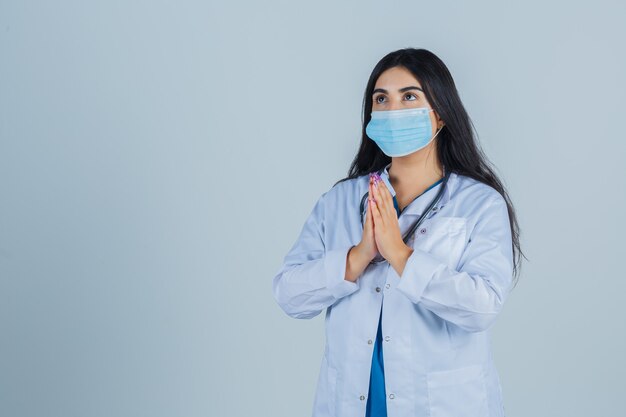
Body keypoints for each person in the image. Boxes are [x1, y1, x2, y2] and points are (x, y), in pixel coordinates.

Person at [272, 48, 525, 417]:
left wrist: (401, 255)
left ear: (439, 113)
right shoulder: (340, 200)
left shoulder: (479, 204)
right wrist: (357, 257)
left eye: (409, 96)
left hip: (443, 404)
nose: (393, 110)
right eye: (381, 99)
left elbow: (481, 307)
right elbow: (289, 294)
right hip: (355, 400)